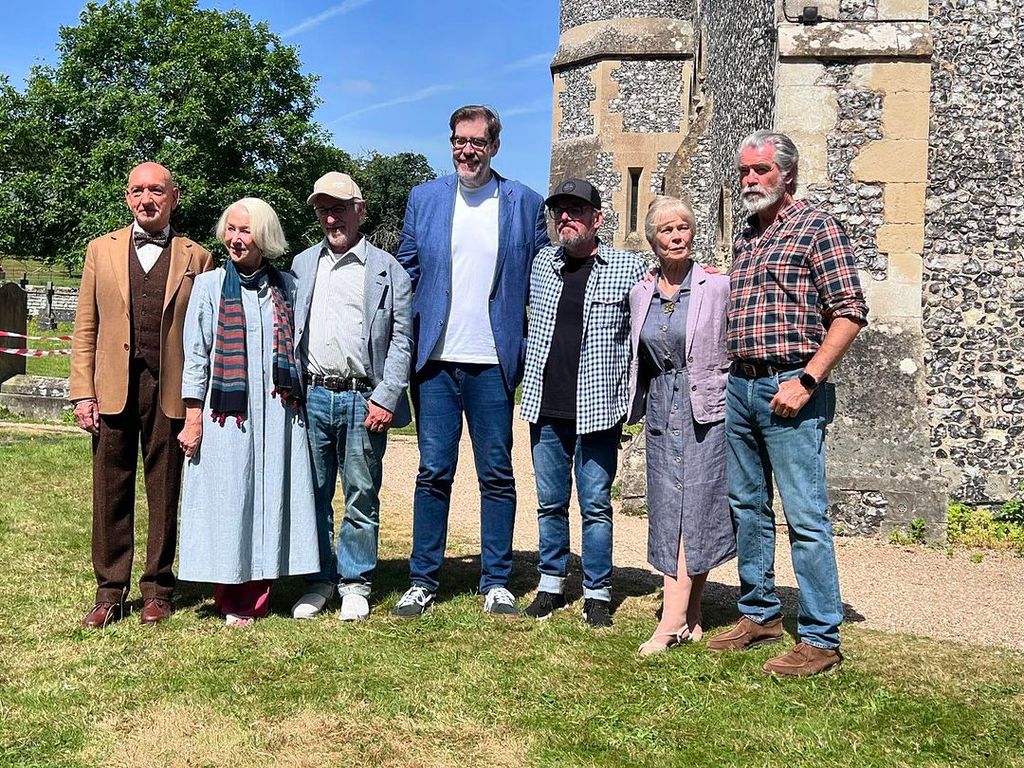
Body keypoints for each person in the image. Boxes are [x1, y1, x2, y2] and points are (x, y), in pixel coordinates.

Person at [707, 130, 868, 676]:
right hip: (742, 385)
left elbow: (849, 311)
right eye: (744, 171)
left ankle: (821, 637)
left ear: (787, 174)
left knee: (804, 515)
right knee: (748, 509)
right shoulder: (747, 236)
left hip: (791, 388)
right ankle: (760, 614)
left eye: (759, 171)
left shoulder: (817, 228)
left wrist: (808, 380)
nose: (749, 180)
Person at [392, 105, 548, 617]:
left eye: (477, 142)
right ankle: (423, 577)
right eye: (459, 140)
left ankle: (497, 579)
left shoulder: (524, 202)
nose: (467, 150)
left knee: (497, 472)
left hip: (493, 360)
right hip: (435, 360)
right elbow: (406, 272)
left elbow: (546, 273)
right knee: (433, 470)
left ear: (494, 146)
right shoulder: (425, 198)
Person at [71, 162, 213, 628]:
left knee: (165, 489)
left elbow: (203, 334)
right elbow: (85, 327)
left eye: (157, 190)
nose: (147, 198)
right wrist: (82, 393)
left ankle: (158, 588)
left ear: (174, 196)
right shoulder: (101, 250)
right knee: (110, 490)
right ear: (128, 198)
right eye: (138, 191)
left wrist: (199, 402)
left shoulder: (199, 256)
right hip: (111, 387)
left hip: (170, 388)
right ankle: (110, 590)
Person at [177, 198, 318, 626]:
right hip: (227, 412)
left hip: (277, 413)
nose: (236, 239)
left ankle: (260, 589)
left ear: (265, 238)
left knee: (271, 495)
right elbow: (196, 356)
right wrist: (193, 416)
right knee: (230, 497)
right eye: (232, 230)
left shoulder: (288, 288)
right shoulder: (209, 287)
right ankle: (230, 591)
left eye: (246, 231)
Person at [519, 178, 646, 627]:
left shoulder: (628, 269)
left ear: (598, 219)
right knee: (550, 503)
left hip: (598, 410)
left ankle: (597, 592)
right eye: (560, 212)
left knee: (595, 506)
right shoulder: (542, 264)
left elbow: (643, 337)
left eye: (576, 210)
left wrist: (636, 398)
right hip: (546, 406)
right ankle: (551, 583)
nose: (566, 218)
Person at [289, 172, 413, 622]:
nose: (330, 216)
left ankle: (356, 582)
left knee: (361, 492)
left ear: (359, 210)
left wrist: (386, 396)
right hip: (314, 395)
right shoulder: (303, 265)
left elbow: (402, 339)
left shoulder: (388, 269)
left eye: (339, 207)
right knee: (315, 492)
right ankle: (319, 579)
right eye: (323, 208)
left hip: (364, 398)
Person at [626, 196, 735, 654]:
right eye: (667, 230)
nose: (676, 236)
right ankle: (690, 614)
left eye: (684, 228)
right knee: (669, 509)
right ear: (652, 239)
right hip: (660, 409)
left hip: (707, 409)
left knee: (701, 507)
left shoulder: (717, 285)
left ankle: (669, 621)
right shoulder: (641, 292)